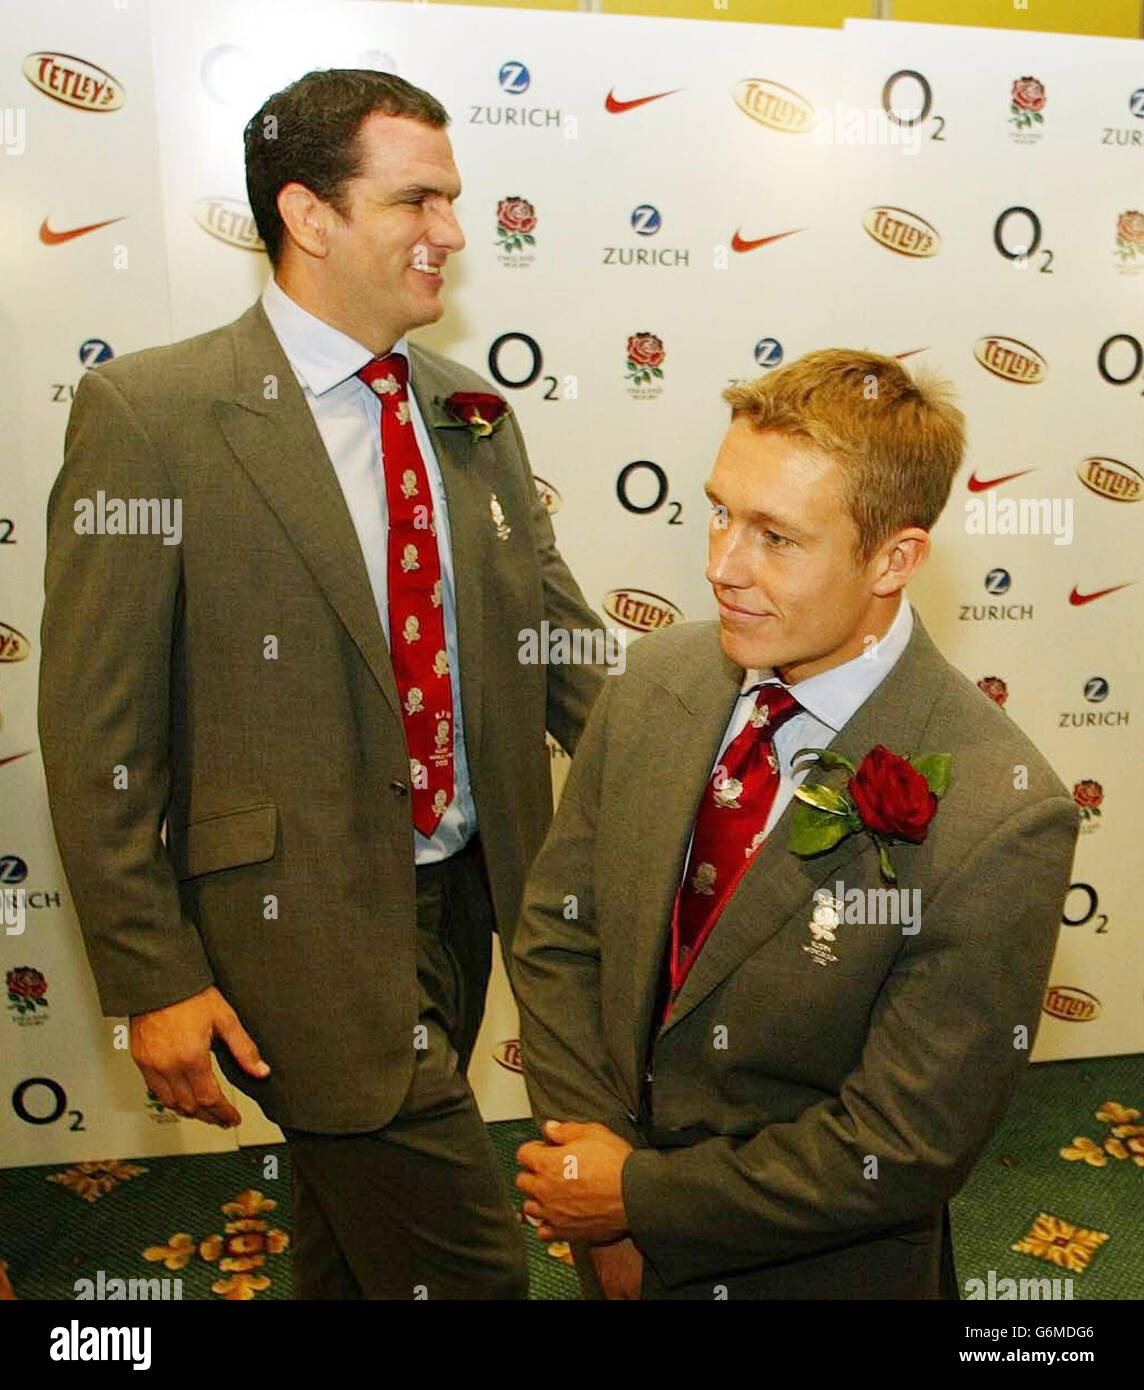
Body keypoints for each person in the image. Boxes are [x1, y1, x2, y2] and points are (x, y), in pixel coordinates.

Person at [39, 68, 606, 1300]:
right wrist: (153, 976)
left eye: (452, 199)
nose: (453, 231)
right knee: (465, 1267)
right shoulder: (152, 415)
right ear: (309, 217)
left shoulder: (469, 412)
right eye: (418, 200)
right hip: (292, 933)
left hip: (468, 901)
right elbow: (97, 735)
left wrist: (740, 752)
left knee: (359, 1247)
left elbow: (554, 645)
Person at [511, 349, 1079, 1300]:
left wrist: (638, 1202)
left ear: (895, 558)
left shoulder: (1001, 815)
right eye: (722, 511)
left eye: (777, 537)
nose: (720, 565)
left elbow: (901, 1147)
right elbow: (561, 933)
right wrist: (589, 1170)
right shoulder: (657, 680)